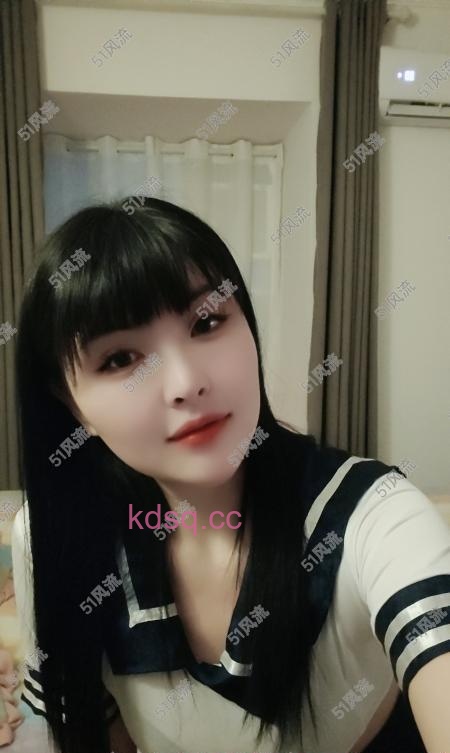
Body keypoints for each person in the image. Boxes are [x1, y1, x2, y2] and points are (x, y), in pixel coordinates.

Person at [11, 197, 450, 753]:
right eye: (120, 359)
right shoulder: (55, 535)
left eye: (207, 322)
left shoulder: (374, 515)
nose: (186, 382)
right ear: (72, 406)